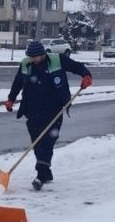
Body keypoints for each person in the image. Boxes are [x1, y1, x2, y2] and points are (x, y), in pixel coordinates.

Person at [5, 40, 92, 190]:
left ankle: (40, 175)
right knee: (37, 143)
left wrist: (86, 76)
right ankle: (46, 172)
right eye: (31, 57)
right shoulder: (26, 64)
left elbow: (77, 67)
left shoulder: (58, 59)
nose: (33, 60)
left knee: (48, 141)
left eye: (36, 57)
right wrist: (11, 99)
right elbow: (17, 82)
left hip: (55, 108)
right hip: (32, 109)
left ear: (42, 54)